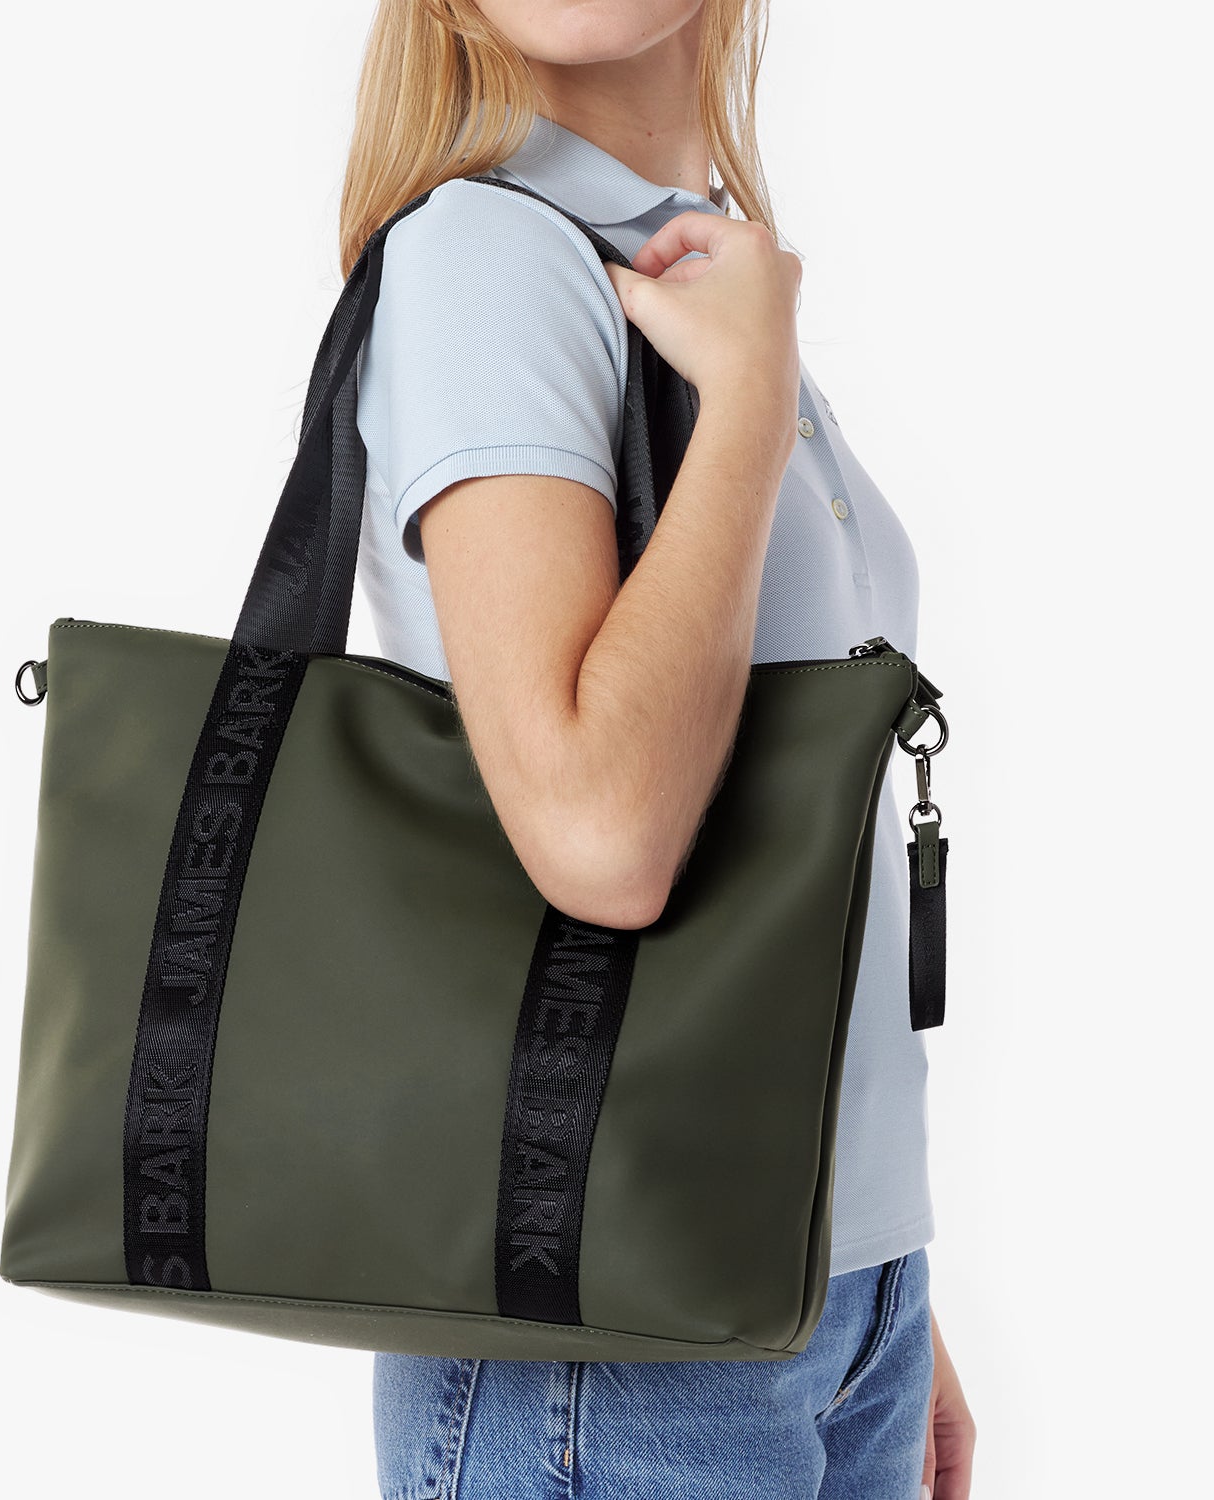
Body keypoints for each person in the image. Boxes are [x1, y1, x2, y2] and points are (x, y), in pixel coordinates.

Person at [343, 3, 977, 1496]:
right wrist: (745, 404)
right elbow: (603, 836)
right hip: (607, 1330)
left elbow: (765, 827)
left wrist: (884, 1278)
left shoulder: (678, 255)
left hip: (812, 1290)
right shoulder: (492, 257)